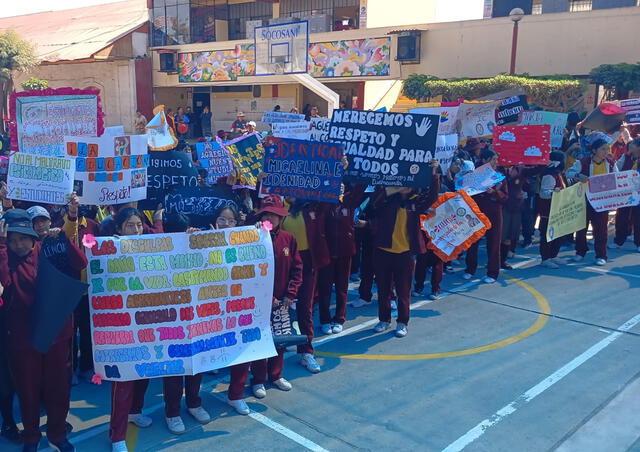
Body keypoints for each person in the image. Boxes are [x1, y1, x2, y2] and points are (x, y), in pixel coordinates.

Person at [0, 209, 88, 452]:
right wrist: (1, 247)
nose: (18, 244)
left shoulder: (48, 249)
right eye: (12, 239)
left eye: (23, 238)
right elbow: (4, 283)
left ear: (32, 237)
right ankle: (31, 438)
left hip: (57, 336)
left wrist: (63, 239)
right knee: (27, 391)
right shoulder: (5, 258)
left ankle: (57, 434)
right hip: (22, 341)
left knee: (58, 388)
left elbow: (80, 263)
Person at [227, 197, 302, 414]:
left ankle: (276, 375)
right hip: (258, 301)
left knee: (280, 337)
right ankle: (258, 379)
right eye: (266, 214)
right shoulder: (252, 238)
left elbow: (297, 269)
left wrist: (290, 294)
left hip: (283, 301)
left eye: (274, 215)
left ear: (281, 217)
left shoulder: (289, 239)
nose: (270, 218)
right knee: (260, 342)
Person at [369, 160, 440, 337]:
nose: (406, 187)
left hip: (406, 254)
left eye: (410, 184)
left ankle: (402, 322)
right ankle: (384, 320)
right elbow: (374, 201)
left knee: (403, 290)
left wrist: (433, 173)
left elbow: (432, 196)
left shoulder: (416, 203)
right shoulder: (386, 200)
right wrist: (392, 189)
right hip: (384, 251)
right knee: (384, 289)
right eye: (404, 183)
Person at [109, 208, 158, 452]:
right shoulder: (109, 250)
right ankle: (117, 434)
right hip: (123, 325)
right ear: (119, 229)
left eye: (139, 225)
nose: (136, 230)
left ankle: (135, 411)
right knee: (124, 379)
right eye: (130, 225)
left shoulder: (150, 246)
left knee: (144, 372)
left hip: (148, 322)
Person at [161, 212, 211, 435]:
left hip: (195, 314)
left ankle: (194, 403)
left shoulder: (194, 244)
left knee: (196, 363)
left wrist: (197, 241)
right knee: (173, 368)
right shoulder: (158, 248)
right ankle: (172, 412)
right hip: (171, 318)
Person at [281, 199, 329, 372]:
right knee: (279, 307)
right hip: (284, 261)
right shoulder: (279, 205)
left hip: (308, 262)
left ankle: (306, 352)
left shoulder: (313, 204)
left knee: (305, 308)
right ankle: (277, 352)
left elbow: (327, 203)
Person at [318, 185, 366, 334]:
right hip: (327, 254)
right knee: (324, 289)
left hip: (345, 253)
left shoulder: (349, 202)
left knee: (341, 289)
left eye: (341, 186)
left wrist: (346, 168)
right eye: (335, 186)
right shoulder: (323, 203)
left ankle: (339, 319)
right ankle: (325, 320)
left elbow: (360, 188)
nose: (338, 188)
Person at [566, 138, 616, 266]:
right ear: (594, 150)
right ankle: (580, 252)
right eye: (603, 149)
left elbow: (617, 177)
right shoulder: (583, 162)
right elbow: (568, 173)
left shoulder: (610, 163)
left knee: (601, 229)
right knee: (581, 227)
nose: (606, 152)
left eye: (607, 149)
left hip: (602, 202)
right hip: (584, 200)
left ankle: (601, 255)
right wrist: (578, 176)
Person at [463, 149, 507, 284]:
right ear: (484, 160)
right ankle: (470, 269)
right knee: (473, 242)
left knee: (493, 243)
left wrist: (494, 192)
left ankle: (493, 273)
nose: (495, 162)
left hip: (494, 214)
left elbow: (505, 197)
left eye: (496, 159)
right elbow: (465, 193)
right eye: (493, 159)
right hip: (476, 214)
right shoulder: (474, 175)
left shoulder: (498, 176)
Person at [537, 151, 568, 268]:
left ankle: (554, 255)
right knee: (547, 235)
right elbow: (543, 193)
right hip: (548, 211)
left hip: (558, 210)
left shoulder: (558, 173)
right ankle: (545, 258)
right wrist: (553, 192)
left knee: (558, 234)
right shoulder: (549, 175)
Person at [612, 137, 640, 252]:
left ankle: (638, 243)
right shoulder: (626, 156)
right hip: (625, 192)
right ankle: (619, 241)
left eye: (633, 144)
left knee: (638, 218)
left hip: (638, 194)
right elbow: (617, 169)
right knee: (621, 216)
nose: (630, 145)